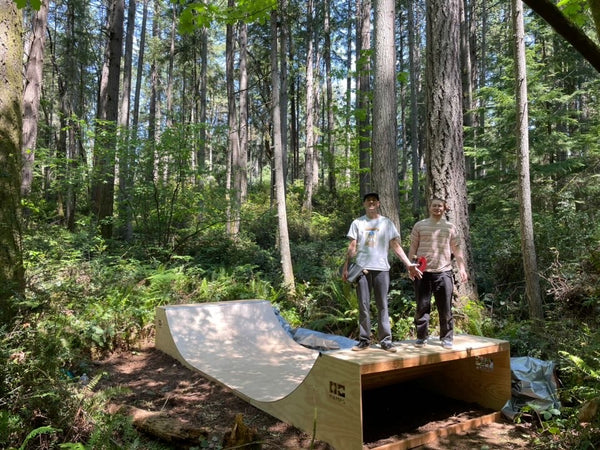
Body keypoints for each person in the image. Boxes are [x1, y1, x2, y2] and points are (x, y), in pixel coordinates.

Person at [342, 192, 421, 352]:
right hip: (362, 270)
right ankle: (364, 340)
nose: (371, 203)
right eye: (368, 201)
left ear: (378, 203)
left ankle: (386, 340)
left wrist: (408, 264)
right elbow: (352, 246)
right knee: (363, 305)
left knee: (383, 305)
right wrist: (346, 266)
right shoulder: (357, 222)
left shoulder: (386, 223)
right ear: (364, 204)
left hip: (382, 268)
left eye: (373, 201)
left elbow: (395, 245)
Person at [408, 197, 468, 349]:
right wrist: (410, 267)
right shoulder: (419, 226)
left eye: (440, 206)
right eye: (434, 205)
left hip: (444, 272)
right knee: (422, 306)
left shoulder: (450, 227)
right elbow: (413, 248)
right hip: (422, 272)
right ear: (430, 207)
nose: (437, 208)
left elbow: (457, 249)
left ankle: (446, 337)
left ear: (444, 208)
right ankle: (421, 337)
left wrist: (462, 268)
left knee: (445, 307)